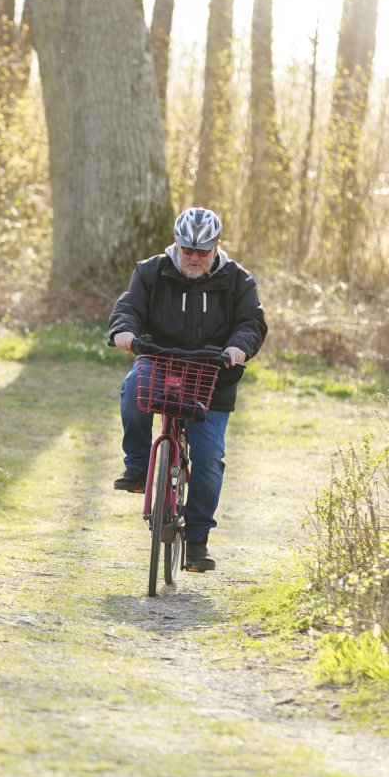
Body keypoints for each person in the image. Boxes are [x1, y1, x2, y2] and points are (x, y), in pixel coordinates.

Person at [107, 207, 267, 572]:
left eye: (202, 251)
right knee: (132, 390)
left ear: (216, 247)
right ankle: (135, 467)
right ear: (177, 245)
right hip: (159, 363)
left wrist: (238, 348)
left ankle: (196, 541)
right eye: (187, 250)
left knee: (210, 458)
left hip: (214, 375)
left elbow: (251, 321)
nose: (194, 258)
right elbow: (128, 306)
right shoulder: (151, 271)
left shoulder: (238, 280)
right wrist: (124, 331)